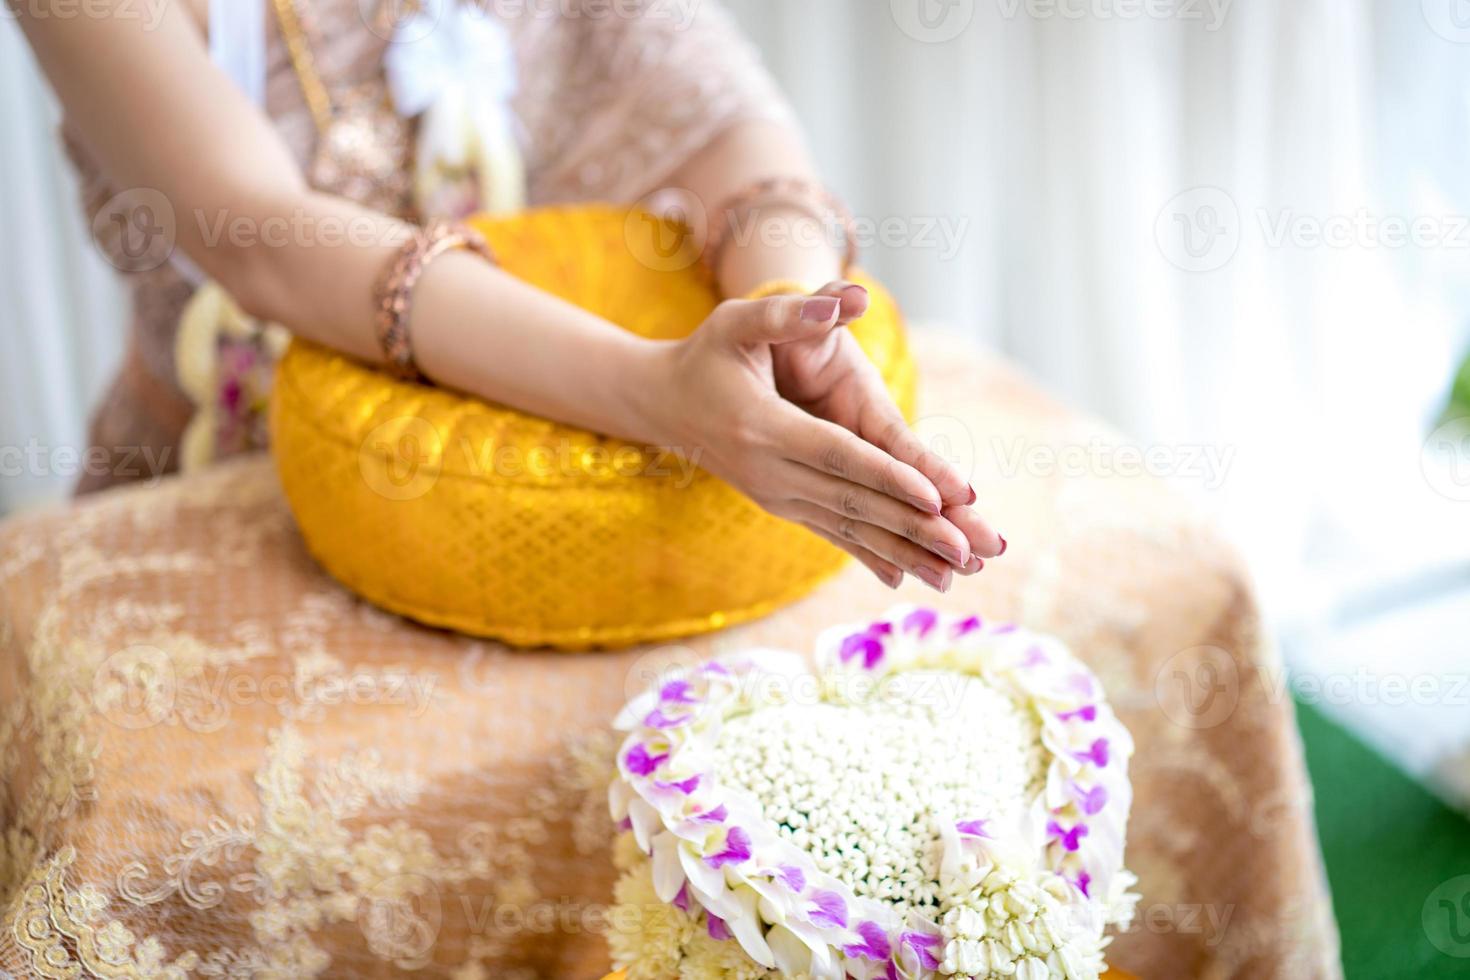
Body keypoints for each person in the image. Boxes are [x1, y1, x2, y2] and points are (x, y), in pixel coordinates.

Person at [15, 0, 1005, 594]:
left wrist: (792, 312)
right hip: (229, 493)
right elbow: (262, 237)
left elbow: (720, 118)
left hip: (532, 470)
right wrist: (656, 389)